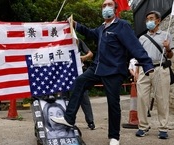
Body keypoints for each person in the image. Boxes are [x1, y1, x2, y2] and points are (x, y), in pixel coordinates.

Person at [50, 0, 154, 145]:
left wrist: (147, 63)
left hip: (114, 70)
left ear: (115, 9)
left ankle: (114, 137)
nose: (106, 8)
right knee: (80, 81)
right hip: (97, 68)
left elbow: (134, 45)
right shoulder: (101, 28)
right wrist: (75, 24)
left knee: (113, 104)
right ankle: (69, 118)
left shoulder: (122, 25)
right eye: (103, 6)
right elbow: (90, 33)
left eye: (109, 5)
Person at [135, 10, 174, 139]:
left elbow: (170, 56)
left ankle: (163, 128)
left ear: (158, 20)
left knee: (162, 99)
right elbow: (138, 56)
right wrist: (136, 72)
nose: (149, 21)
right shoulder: (142, 38)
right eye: (147, 19)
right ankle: (143, 127)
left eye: (151, 19)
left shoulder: (166, 35)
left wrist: (167, 48)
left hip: (160, 68)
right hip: (144, 69)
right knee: (141, 99)